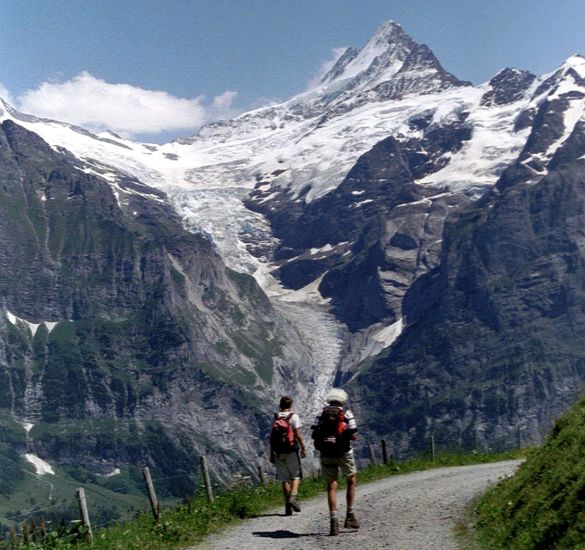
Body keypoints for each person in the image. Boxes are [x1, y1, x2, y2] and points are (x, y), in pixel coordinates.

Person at [312, 388, 359, 536]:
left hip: (327, 453)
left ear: (329, 399)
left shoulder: (321, 414)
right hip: (344, 452)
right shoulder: (346, 414)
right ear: (342, 400)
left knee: (331, 485)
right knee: (351, 480)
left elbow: (315, 433)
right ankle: (350, 515)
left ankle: (333, 520)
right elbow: (353, 433)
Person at [269, 395, 306, 515]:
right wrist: (303, 447)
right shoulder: (293, 417)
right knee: (295, 476)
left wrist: (272, 453)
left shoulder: (275, 417)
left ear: (280, 405)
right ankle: (292, 497)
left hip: (279, 451)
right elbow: (298, 435)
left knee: (284, 479)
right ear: (290, 405)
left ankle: (287, 507)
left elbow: (272, 438)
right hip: (291, 450)